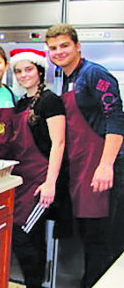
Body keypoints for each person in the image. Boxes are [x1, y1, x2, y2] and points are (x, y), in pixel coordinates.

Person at [45, 24, 124, 287]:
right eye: (53, 48)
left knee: (103, 241)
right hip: (83, 166)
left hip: (103, 167)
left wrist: (106, 165)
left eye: (64, 45)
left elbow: (115, 119)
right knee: (89, 236)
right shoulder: (67, 77)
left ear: (78, 46)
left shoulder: (94, 74)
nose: (59, 52)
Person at [9, 48, 66, 288]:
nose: (23, 75)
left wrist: (50, 183)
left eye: (28, 69)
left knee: (23, 235)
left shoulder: (50, 101)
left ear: (40, 71)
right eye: (18, 71)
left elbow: (59, 142)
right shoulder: (22, 102)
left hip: (41, 182)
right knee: (28, 239)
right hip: (24, 179)